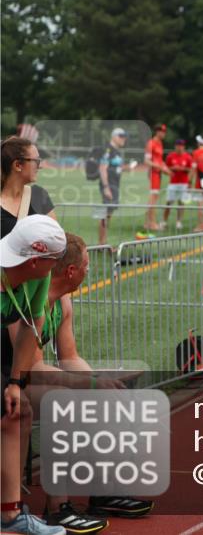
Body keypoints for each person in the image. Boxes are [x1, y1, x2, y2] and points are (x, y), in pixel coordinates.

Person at [8, 234, 150, 533]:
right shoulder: (30, 296)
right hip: (12, 378)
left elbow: (69, 356)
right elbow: (32, 368)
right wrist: (91, 386)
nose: (89, 271)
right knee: (65, 402)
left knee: (106, 400)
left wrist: (101, 384)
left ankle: (104, 490)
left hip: (22, 378)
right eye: (87, 265)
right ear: (71, 271)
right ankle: (56, 509)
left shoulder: (63, 300)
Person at [1, 215, 67, 535]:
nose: (56, 267)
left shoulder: (36, 277)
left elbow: (31, 327)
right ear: (37, 260)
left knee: (16, 409)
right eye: (54, 261)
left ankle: (10, 515)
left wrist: (15, 383)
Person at [2, 137, 56, 235]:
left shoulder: (39, 195)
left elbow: (56, 240)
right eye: (36, 161)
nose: (40, 166)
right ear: (18, 165)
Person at [94, 128, 127, 246]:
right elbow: (102, 168)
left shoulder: (116, 151)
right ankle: (101, 243)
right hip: (109, 186)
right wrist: (106, 187)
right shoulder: (108, 149)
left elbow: (115, 167)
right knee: (105, 213)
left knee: (109, 214)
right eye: (121, 136)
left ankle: (103, 242)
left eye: (124, 136)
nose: (123, 138)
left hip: (115, 186)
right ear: (113, 136)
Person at [139, 124, 170, 238]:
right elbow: (147, 161)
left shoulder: (160, 144)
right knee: (153, 198)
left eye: (164, 131)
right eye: (162, 131)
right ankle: (152, 223)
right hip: (153, 173)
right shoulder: (151, 143)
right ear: (157, 131)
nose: (164, 133)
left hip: (158, 173)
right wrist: (161, 167)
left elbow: (159, 160)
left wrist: (165, 168)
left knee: (154, 198)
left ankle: (148, 222)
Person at [163, 139, 194, 230]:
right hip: (173, 183)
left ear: (184, 146)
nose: (180, 147)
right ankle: (164, 221)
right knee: (169, 202)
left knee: (181, 203)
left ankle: (179, 222)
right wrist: (173, 168)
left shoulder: (188, 157)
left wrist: (183, 169)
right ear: (175, 146)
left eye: (181, 145)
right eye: (178, 145)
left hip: (184, 183)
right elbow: (166, 168)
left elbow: (191, 170)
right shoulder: (170, 156)